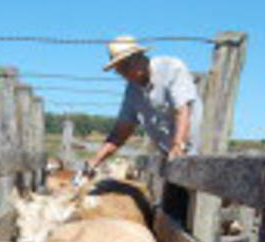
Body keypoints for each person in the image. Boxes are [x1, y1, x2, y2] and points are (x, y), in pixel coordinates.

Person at [83, 35, 203, 221]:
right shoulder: (132, 91)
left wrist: (178, 144)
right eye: (118, 70)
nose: (122, 74)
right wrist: (95, 160)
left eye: (123, 67)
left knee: (195, 212)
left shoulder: (171, 68)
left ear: (138, 59)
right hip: (169, 157)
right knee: (173, 212)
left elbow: (182, 109)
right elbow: (121, 132)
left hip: (194, 153)